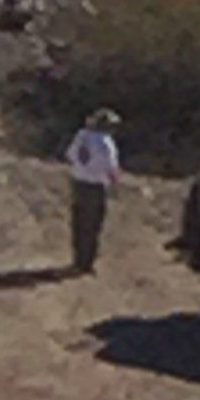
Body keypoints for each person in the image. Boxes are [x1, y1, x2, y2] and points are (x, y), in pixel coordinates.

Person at [64, 108, 121, 276]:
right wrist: (115, 184)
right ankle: (86, 262)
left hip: (79, 183)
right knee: (93, 225)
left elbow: (70, 155)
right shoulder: (106, 143)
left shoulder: (81, 136)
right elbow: (111, 168)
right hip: (96, 187)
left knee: (79, 222)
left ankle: (78, 259)